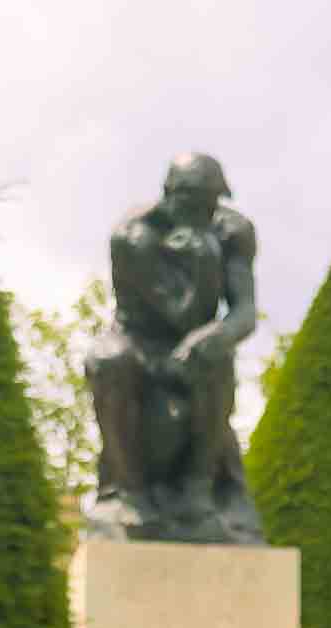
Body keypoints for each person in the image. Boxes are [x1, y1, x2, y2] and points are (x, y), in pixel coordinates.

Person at [84, 153, 264, 544]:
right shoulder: (133, 235)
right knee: (108, 360)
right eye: (195, 203)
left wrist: (219, 334)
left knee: (216, 352)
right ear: (170, 195)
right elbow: (178, 311)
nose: (207, 212)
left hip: (195, 343)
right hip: (140, 340)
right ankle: (130, 494)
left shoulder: (234, 232)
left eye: (211, 202)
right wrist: (203, 259)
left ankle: (196, 490)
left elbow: (246, 311)